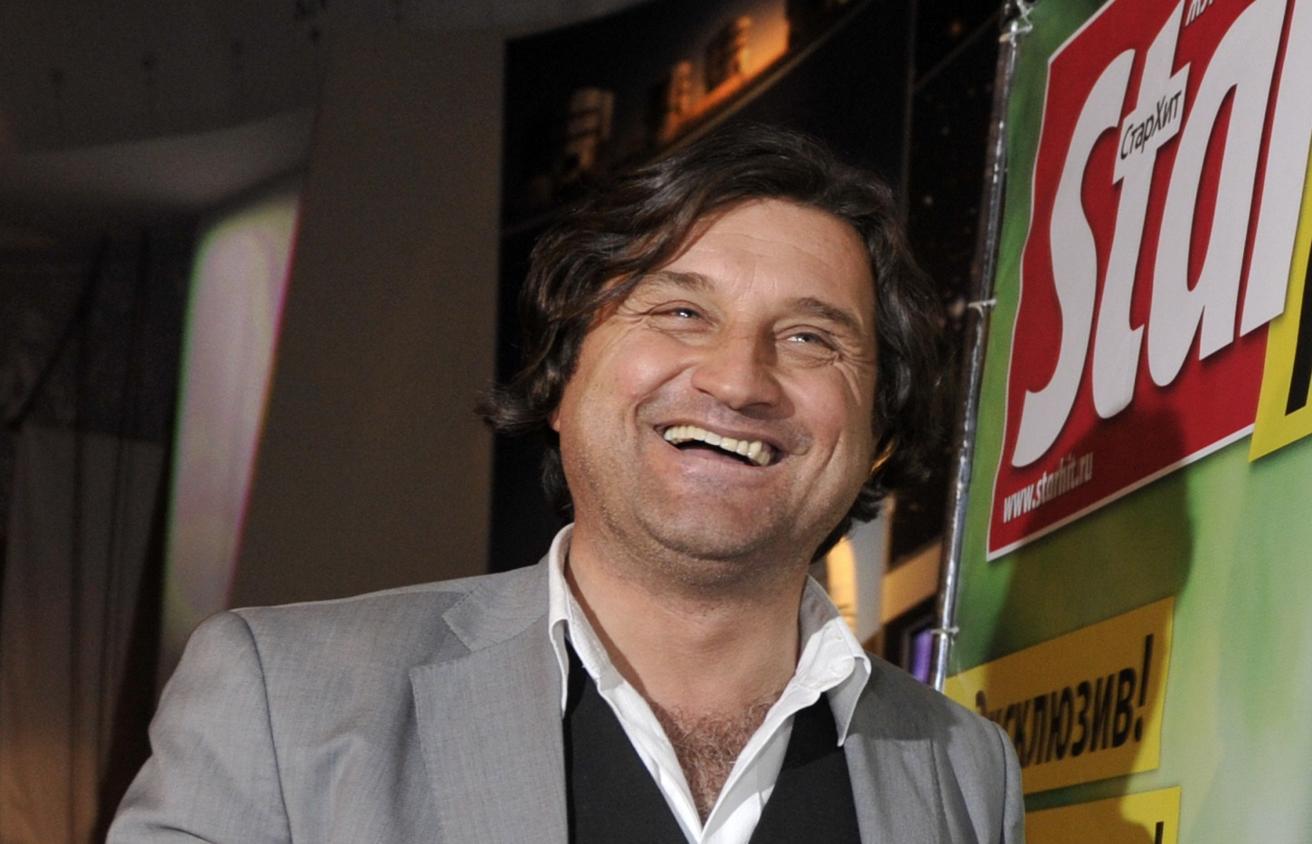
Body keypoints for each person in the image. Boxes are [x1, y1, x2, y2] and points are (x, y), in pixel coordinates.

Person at [110, 125, 1023, 843]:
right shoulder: (279, 701)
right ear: (559, 377)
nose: (739, 380)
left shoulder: (966, 771)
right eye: (681, 311)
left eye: (811, 338)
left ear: (876, 433)